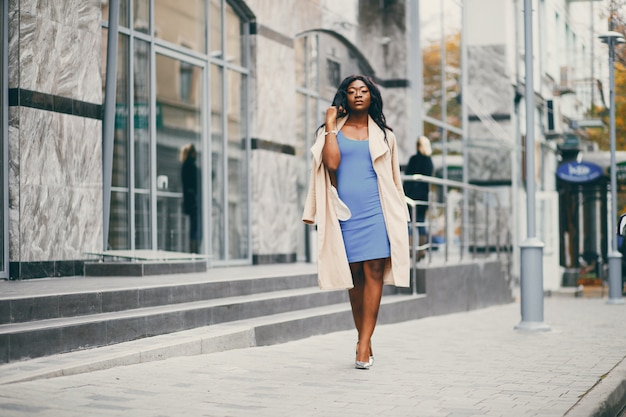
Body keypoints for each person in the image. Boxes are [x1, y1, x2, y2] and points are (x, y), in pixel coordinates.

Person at [302, 75, 410, 370]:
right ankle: (365, 335)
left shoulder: (386, 136)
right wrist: (328, 122)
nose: (358, 95)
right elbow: (332, 164)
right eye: (351, 91)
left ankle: (363, 346)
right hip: (345, 215)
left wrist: (401, 216)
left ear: (372, 96)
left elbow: (395, 181)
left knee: (374, 273)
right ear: (344, 97)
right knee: (355, 280)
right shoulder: (331, 130)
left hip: (378, 212)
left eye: (363, 91)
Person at [403, 136, 434, 260]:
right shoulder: (429, 161)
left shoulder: (414, 159)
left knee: (409, 224)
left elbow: (408, 178)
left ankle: (410, 250)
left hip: (411, 196)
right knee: (420, 223)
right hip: (423, 198)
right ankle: (422, 250)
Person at [180, 144, 202, 253]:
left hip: (190, 202)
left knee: (194, 228)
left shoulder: (186, 165)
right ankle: (194, 251)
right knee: (195, 228)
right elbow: (195, 181)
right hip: (194, 202)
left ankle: (194, 250)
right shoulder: (190, 166)